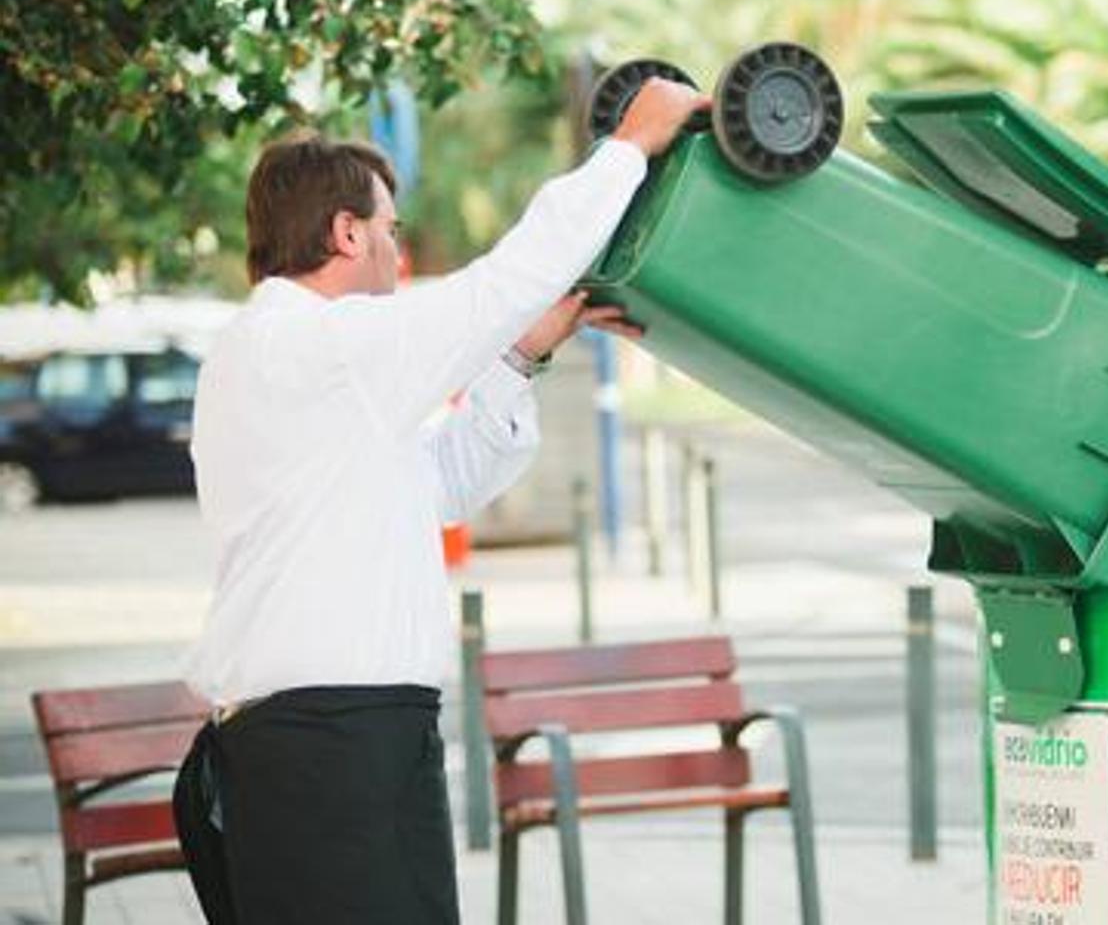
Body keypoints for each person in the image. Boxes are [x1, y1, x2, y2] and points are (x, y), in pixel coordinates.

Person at [171, 78, 709, 923]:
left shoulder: (290, 365)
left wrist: (520, 358)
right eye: (388, 230)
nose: (396, 249)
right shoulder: (319, 346)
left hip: (331, 746)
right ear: (345, 232)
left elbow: (444, 484)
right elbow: (501, 284)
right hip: (331, 747)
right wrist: (628, 148)